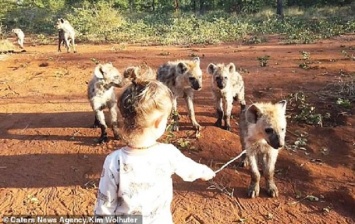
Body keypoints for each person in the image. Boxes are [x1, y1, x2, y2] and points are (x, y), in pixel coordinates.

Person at [94, 79, 215, 223]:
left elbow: (105, 207)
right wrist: (205, 172)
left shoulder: (114, 161)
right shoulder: (168, 153)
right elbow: (190, 170)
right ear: (158, 122)